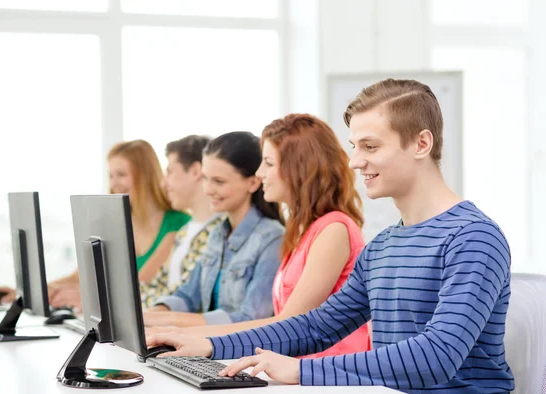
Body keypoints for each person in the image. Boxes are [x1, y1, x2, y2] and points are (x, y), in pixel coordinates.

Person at [147, 79, 514, 393]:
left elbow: (436, 357)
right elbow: (317, 326)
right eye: (355, 146)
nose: (355, 161)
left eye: (370, 146)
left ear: (421, 144)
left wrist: (301, 371)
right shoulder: (383, 246)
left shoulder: (473, 238)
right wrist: (209, 346)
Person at [150, 114, 371, 357]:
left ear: (297, 168)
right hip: (292, 369)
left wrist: (188, 336)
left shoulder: (333, 230)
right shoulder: (301, 231)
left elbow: (289, 325)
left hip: (325, 377)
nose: (260, 172)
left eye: (268, 163)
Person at [142, 131, 285, 327]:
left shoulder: (272, 238)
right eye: (206, 179)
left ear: (253, 183)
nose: (207, 189)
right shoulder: (217, 233)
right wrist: (149, 315)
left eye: (218, 181)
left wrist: (168, 319)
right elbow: (187, 295)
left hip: (241, 354)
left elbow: (251, 319)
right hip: (207, 349)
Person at [47, 139, 190, 310]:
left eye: (121, 175)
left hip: (150, 318)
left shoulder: (179, 224)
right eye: (111, 176)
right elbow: (81, 276)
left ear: (145, 176)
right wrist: (44, 290)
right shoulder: (112, 224)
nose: (114, 184)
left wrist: (84, 296)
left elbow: (138, 285)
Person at [141, 135, 223, 307]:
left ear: (195, 171)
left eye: (170, 172)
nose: (163, 183)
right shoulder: (184, 231)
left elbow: (182, 295)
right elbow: (157, 286)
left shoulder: (219, 232)